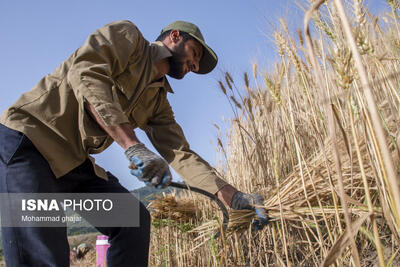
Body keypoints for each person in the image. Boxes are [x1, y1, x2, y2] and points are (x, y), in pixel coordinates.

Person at [0, 20, 268, 267]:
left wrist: (235, 197)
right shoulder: (128, 39)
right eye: (195, 53)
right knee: (44, 254)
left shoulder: (158, 103)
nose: (195, 65)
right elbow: (87, 74)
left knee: (132, 221)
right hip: (29, 142)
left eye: (197, 63)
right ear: (175, 36)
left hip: (72, 164)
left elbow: (181, 155)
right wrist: (133, 145)